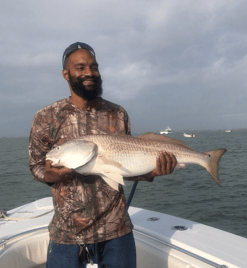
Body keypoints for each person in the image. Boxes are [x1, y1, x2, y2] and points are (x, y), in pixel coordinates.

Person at [28, 42, 177, 268]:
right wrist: (52, 176)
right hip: (67, 233)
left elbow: (124, 165)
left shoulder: (117, 113)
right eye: (81, 67)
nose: (89, 72)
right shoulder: (47, 116)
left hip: (117, 229)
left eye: (94, 67)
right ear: (66, 74)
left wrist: (151, 172)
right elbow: (36, 166)